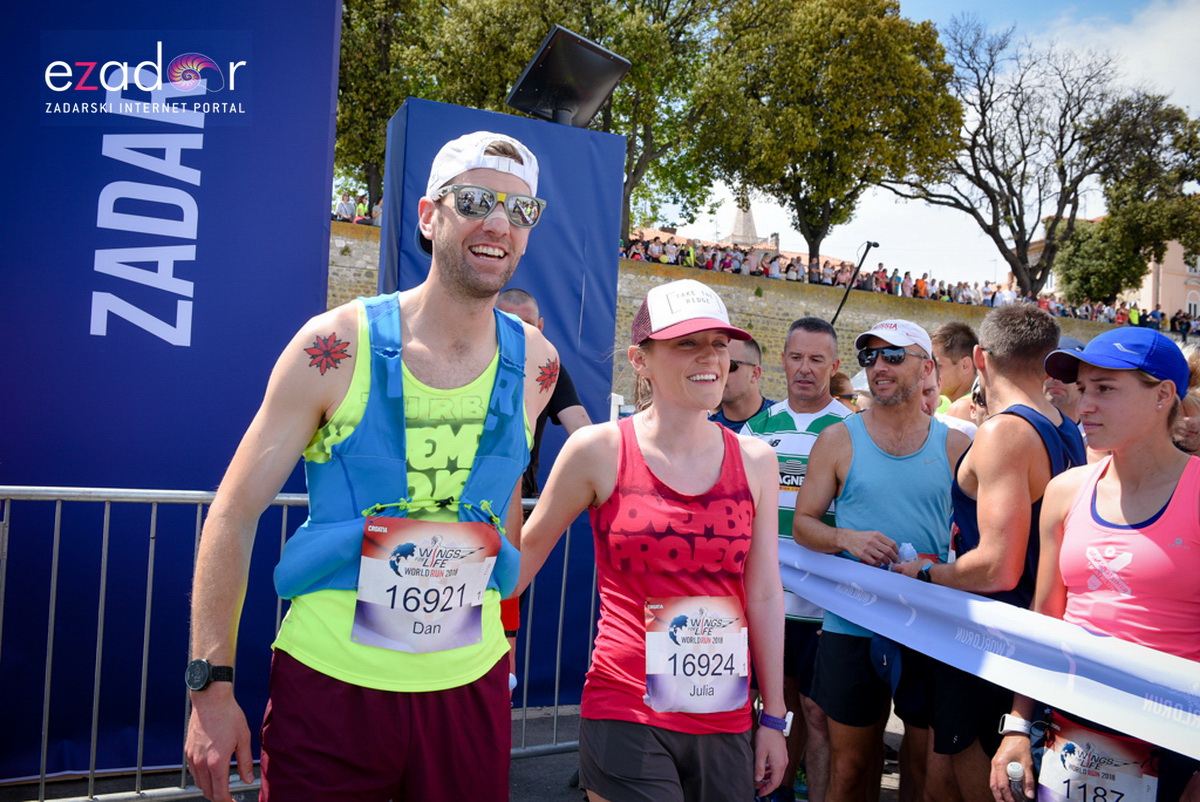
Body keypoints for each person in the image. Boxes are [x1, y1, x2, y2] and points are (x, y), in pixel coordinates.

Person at [184, 131, 558, 802]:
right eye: (475, 200)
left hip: (467, 691)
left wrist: (500, 626)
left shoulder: (538, 363)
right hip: (333, 690)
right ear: (428, 215)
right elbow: (235, 512)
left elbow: (500, 500)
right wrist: (209, 688)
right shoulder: (335, 344)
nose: (499, 223)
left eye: (521, 210)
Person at [517, 278, 789, 801]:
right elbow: (521, 562)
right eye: (686, 343)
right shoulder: (598, 450)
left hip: (724, 712)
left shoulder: (757, 461)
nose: (708, 356)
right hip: (626, 705)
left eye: (718, 343)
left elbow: (763, 592)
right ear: (640, 360)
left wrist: (774, 718)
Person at [991, 328, 1200, 802]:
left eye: (1105, 389)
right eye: (1083, 389)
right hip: (1072, 738)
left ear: (1163, 396)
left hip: (1177, 746)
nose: (1084, 405)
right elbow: (1045, 620)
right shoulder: (1067, 491)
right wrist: (1018, 726)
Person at [893, 305, 1086, 802]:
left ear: (979, 358)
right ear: (1048, 361)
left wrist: (926, 572)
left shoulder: (1004, 432)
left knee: (978, 788)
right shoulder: (1063, 424)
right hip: (1029, 634)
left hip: (994, 639)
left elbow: (999, 567)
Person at [794, 319, 972, 802]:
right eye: (870, 357)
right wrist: (846, 537)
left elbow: (977, 542)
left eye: (894, 356)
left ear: (926, 367)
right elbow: (803, 526)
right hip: (853, 620)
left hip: (928, 626)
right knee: (850, 768)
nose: (879, 367)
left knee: (923, 770)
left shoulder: (957, 445)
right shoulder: (837, 439)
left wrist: (944, 564)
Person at [742, 318, 854, 802]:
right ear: (780, 362)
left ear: (833, 365)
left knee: (815, 715)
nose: (804, 369)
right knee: (769, 706)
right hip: (767, 599)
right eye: (795, 357)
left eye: (816, 359)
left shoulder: (852, 428)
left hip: (824, 605)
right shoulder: (756, 428)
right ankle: (772, 792)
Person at [495, 287, 593, 684]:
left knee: (503, 636)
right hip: (451, 515)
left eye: (526, 325)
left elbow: (584, 432)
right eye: (508, 323)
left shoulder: (547, 367)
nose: (519, 333)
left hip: (513, 522)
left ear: (541, 328)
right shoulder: (464, 355)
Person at [710, 337, 775, 431]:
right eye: (715, 366)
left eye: (729, 366)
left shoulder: (785, 421)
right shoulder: (706, 433)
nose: (719, 374)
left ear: (754, 374)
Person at [931, 321, 978, 420]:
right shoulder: (944, 402)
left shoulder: (963, 408)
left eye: (938, 366)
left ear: (965, 365)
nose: (929, 372)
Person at [1043, 335, 1086, 441]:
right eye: (1048, 370)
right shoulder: (1020, 431)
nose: (1055, 378)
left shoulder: (1100, 443)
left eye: (1065, 371)